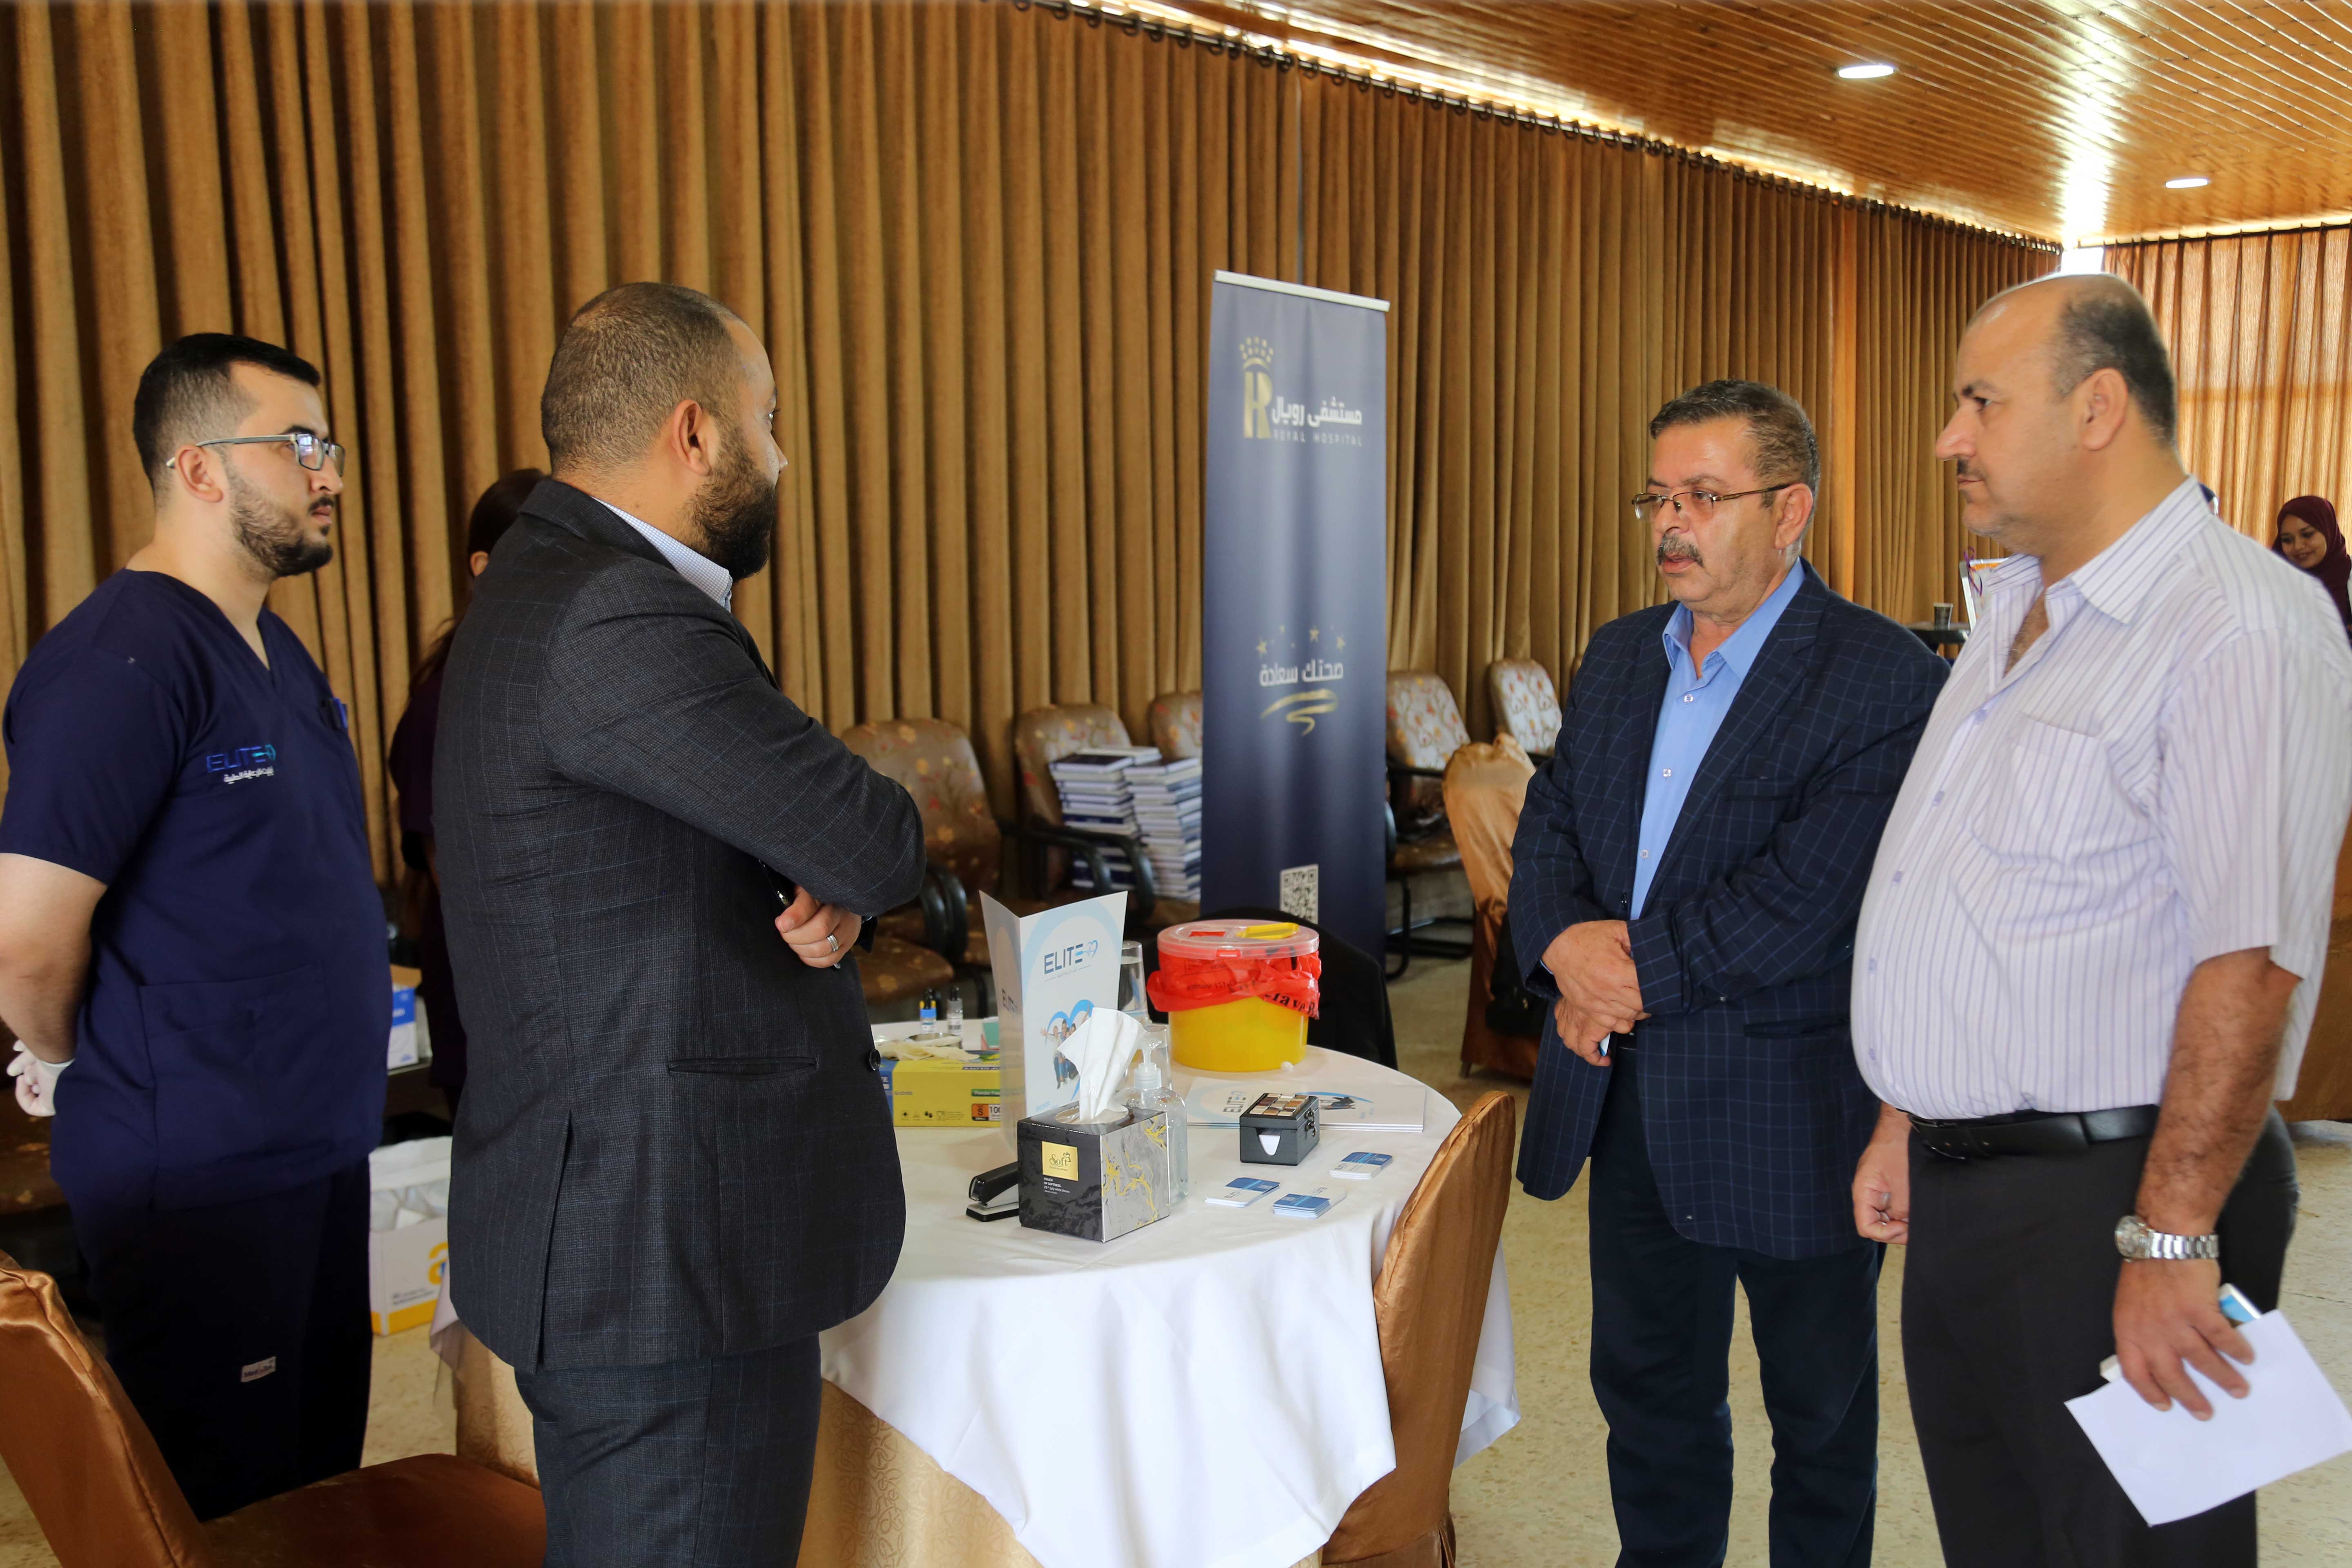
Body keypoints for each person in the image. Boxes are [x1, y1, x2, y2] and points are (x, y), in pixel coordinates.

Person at [1851, 274, 2352, 1567]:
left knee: (2133, 1550)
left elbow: (2252, 960)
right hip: (1971, 1188)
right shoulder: (2022, 605)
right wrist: (1910, 1112)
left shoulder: (2237, 623)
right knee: (2002, 1537)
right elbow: (1968, 887)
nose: (1950, 438)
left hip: (2118, 1200)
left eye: (1980, 402)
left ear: (2099, 408)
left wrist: (2173, 1237)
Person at [435, 282, 925, 1567]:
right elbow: (877, 837)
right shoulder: (616, 609)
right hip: (662, 1258)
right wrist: (841, 866)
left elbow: (622, 860)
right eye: (771, 421)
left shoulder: (537, 583)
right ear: (696, 432)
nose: (783, 458)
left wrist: (805, 893)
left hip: (612, 1222)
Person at [1511, 379, 1948, 1567]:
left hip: (1791, 1112)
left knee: (1818, 1418)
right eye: (1657, 496)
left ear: (1789, 508)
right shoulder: (1618, 656)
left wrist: (1616, 972)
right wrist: (1561, 946)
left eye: (1702, 495)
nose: (1670, 522)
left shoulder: (1881, 675)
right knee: (1648, 1397)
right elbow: (1549, 828)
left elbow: (1807, 898)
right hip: (1626, 1101)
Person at [0, 334, 384, 1518]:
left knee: (318, 1486)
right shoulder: (118, 662)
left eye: (329, 446)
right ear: (199, 468)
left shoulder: (273, 647)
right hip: (204, 1172)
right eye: (299, 445)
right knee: (231, 1508)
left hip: (310, 1142)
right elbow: (27, 940)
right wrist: (64, 1057)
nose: (329, 473)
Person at [384, 468, 541, 1118]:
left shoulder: (563, 679)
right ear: (484, 568)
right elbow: (462, 879)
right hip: (500, 1007)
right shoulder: (442, 706)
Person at [2272, 494, 2350, 640]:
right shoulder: (2274, 585)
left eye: (2307, 535)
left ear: (2329, 531)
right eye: (2287, 540)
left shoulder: (2348, 580)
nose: (2298, 546)